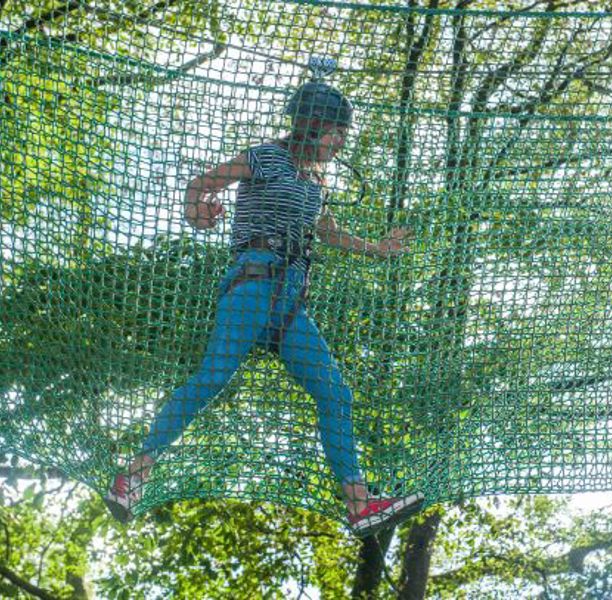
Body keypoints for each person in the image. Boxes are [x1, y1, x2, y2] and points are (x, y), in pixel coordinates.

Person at [104, 74, 424, 537]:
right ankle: (133, 475)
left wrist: (379, 248)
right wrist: (199, 215)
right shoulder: (265, 157)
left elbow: (328, 232)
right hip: (254, 279)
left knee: (335, 392)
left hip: (292, 301)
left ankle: (359, 505)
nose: (340, 143)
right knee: (213, 376)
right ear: (313, 125)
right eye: (337, 133)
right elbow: (200, 186)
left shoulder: (317, 180)